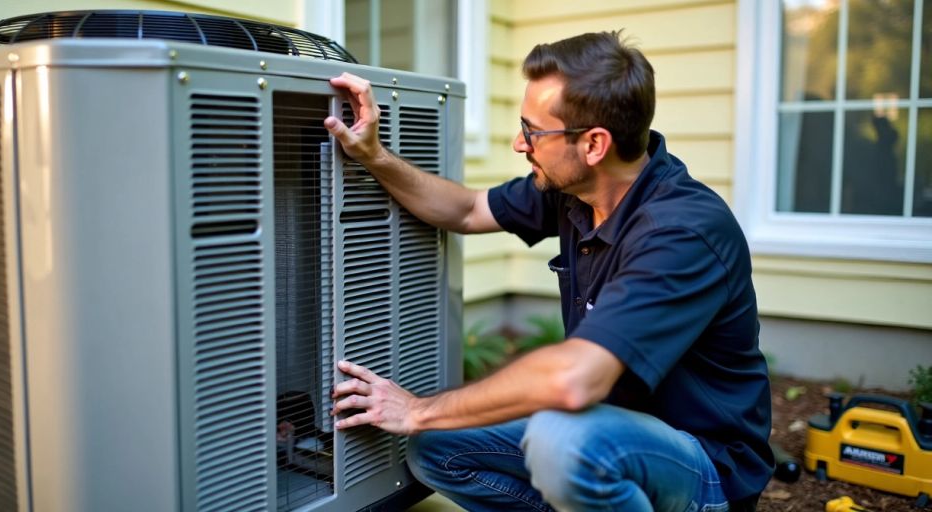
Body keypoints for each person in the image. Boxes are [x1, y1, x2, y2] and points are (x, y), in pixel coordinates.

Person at [323, 31, 773, 512]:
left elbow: (573, 380)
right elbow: (468, 210)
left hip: (702, 468)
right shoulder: (574, 192)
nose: (520, 143)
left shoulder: (682, 232)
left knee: (564, 440)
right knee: (437, 447)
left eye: (532, 130)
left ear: (594, 144)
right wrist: (373, 155)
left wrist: (417, 409)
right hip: (608, 434)